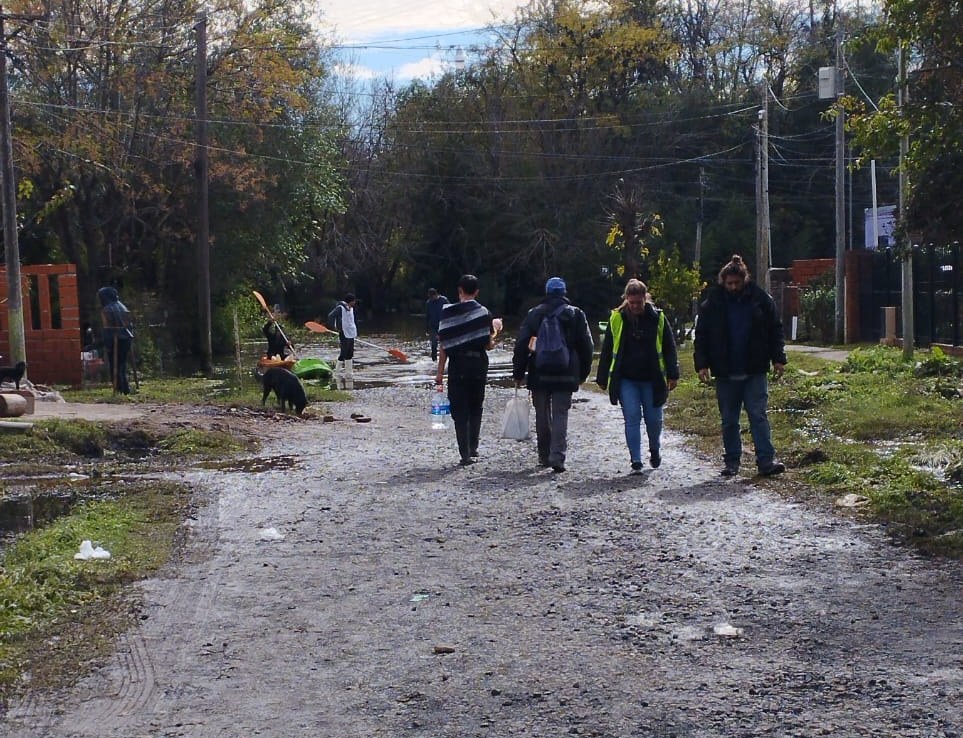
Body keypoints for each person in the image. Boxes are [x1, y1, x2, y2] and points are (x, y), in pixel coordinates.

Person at [694, 254, 787, 477]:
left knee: (758, 415)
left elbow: (775, 330)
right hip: (725, 371)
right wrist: (702, 364)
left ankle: (765, 460)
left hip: (754, 368)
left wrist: (778, 358)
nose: (733, 287)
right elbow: (702, 336)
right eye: (729, 284)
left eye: (737, 283)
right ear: (723, 282)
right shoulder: (713, 304)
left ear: (744, 279)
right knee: (729, 419)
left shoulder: (761, 300)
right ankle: (732, 461)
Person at [596, 279, 679, 473]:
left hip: (652, 378)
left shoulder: (658, 318)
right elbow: (608, 348)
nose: (635, 306)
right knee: (632, 417)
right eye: (631, 303)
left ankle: (655, 449)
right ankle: (636, 460)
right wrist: (602, 377)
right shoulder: (617, 318)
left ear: (645, 299)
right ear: (626, 300)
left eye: (638, 303)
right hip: (627, 379)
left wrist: (673, 374)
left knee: (653, 419)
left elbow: (669, 347)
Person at [512, 277, 594, 473]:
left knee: (542, 414)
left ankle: (543, 455)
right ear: (564, 293)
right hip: (566, 371)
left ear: (547, 293)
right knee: (560, 413)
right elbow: (587, 345)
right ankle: (557, 456)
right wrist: (583, 372)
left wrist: (518, 372)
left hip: (539, 372)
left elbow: (522, 344)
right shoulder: (575, 314)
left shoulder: (534, 314)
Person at [435, 274, 500, 466]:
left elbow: (444, 345)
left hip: (457, 365)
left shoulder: (447, 313)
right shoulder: (483, 313)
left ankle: (464, 453)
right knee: (475, 406)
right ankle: (473, 447)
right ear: (477, 291)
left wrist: (440, 373)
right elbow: (488, 345)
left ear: (459, 291)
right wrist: (495, 331)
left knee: (459, 409)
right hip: (478, 364)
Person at [98, 286, 134, 395]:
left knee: (116, 364)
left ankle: (120, 388)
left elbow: (107, 328)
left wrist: (105, 344)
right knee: (122, 364)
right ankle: (125, 387)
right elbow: (129, 324)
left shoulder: (106, 310)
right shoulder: (122, 306)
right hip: (127, 338)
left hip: (115, 339)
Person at [329, 293, 358, 378]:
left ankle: (349, 373)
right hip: (344, 333)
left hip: (351, 333)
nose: (355, 302)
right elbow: (331, 316)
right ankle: (337, 373)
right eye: (354, 301)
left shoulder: (351, 309)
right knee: (344, 352)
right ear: (350, 301)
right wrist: (334, 327)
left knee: (350, 353)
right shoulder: (340, 308)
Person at [425, 288, 450, 362]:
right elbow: (427, 316)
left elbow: (450, 311)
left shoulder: (444, 300)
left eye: (432, 297)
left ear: (436, 295)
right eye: (430, 297)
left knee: (445, 345)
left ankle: (446, 361)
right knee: (433, 345)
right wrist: (426, 329)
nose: (431, 299)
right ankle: (434, 361)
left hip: (443, 326)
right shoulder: (429, 303)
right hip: (433, 327)